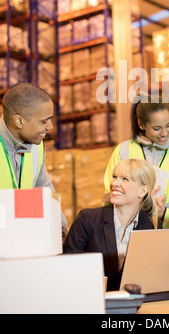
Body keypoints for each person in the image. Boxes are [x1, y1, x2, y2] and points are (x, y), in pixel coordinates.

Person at [63, 159, 160, 291]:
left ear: (142, 191)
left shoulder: (152, 227)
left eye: (125, 179)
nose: (114, 183)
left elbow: (155, 274)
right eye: (114, 177)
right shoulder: (87, 219)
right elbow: (67, 268)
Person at [103, 96, 169, 228]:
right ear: (141, 124)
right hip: (130, 235)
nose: (164, 133)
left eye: (168, 125)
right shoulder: (122, 152)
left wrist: (163, 213)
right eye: (157, 128)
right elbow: (109, 203)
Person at [0, 82, 67, 235]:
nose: (50, 126)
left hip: (19, 236)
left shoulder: (37, 146)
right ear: (19, 121)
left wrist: (60, 224)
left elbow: (43, 186)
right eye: (43, 121)